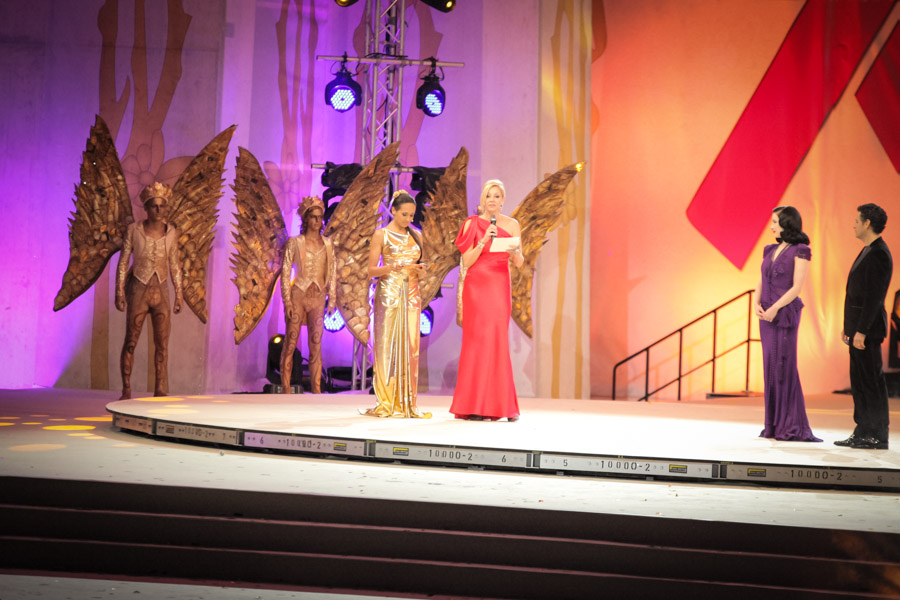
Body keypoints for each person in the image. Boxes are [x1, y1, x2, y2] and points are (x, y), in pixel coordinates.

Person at [450, 179, 524, 422]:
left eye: (496, 196)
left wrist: (516, 252)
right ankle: (473, 405)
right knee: (476, 343)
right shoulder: (471, 224)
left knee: (496, 342)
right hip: (476, 288)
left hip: (499, 287)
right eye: (488, 196)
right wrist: (483, 241)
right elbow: (467, 261)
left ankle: (500, 406)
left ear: (503, 200)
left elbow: (520, 263)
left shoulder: (512, 225)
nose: (492, 200)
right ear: (483, 199)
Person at [753, 206, 821, 441]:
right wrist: (756, 302)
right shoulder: (770, 249)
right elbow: (761, 279)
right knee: (770, 366)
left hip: (784, 314)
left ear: (786, 223)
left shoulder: (801, 250)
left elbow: (796, 287)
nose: (771, 226)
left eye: (775, 221)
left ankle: (790, 425)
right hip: (766, 316)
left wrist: (775, 308)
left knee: (783, 366)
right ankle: (772, 425)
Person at [361, 191, 431, 418]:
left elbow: (423, 266)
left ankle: (407, 400)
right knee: (386, 346)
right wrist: (391, 267)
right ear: (393, 211)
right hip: (389, 293)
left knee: (411, 347)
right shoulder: (381, 235)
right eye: (404, 214)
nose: (408, 219)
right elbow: (371, 270)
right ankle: (386, 399)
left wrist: (421, 270)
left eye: (411, 215)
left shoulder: (417, 235)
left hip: (411, 292)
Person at [115, 182, 183, 400]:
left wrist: (179, 293)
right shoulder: (134, 231)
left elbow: (175, 265)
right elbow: (123, 261)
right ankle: (126, 388)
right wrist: (119, 291)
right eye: (154, 206)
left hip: (161, 289)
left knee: (162, 343)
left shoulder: (171, 233)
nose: (159, 210)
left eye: (162, 206)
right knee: (131, 340)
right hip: (139, 287)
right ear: (146, 207)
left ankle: (159, 388)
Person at [836, 203, 893, 450]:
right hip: (857, 329)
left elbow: (874, 297)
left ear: (867, 223)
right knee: (859, 382)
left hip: (867, 331)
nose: (854, 225)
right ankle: (862, 430)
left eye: (857, 220)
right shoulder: (868, 250)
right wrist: (849, 327)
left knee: (871, 382)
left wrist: (861, 330)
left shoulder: (879, 253)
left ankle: (877, 434)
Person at [280, 196, 336, 394]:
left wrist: (332, 299)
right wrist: (287, 301)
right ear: (306, 218)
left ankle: (316, 389)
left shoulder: (328, 244)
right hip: (299, 293)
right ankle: (286, 388)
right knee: (291, 341)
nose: (317, 221)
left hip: (318, 295)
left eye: (320, 217)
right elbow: (285, 272)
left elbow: (332, 271)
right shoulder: (295, 242)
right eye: (313, 217)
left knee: (316, 342)